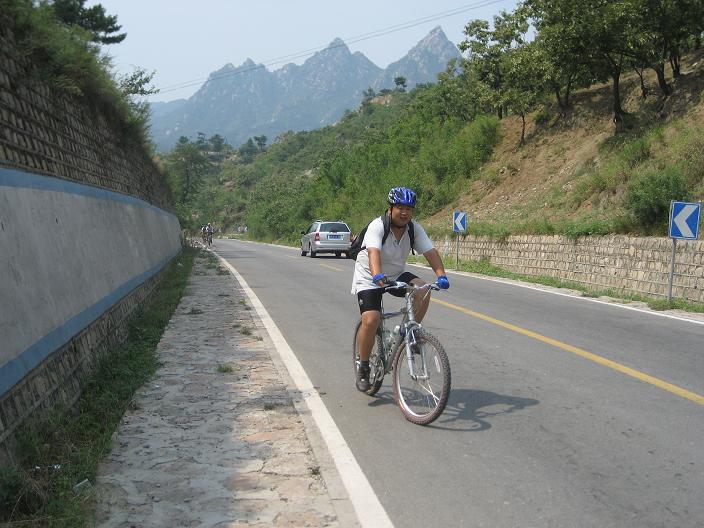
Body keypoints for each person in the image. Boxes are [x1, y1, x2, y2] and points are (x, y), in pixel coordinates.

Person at [351, 187, 449, 391]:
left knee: (423, 288)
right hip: (370, 274)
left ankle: (408, 331)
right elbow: (373, 252)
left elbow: (430, 252)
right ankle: (364, 366)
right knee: (371, 319)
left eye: (409, 209)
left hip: (395, 273)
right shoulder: (378, 226)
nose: (404, 213)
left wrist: (441, 276)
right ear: (391, 208)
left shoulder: (414, 228)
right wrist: (377, 275)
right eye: (400, 208)